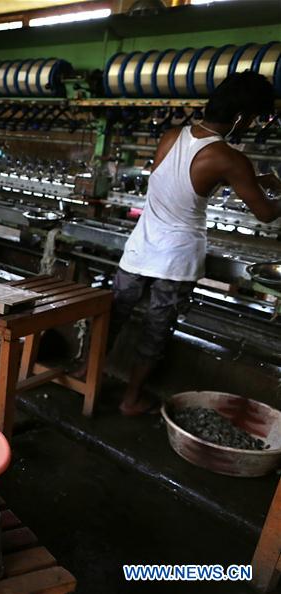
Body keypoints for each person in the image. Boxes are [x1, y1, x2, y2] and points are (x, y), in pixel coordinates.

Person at [111, 71, 281, 416]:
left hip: (139, 251)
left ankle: (86, 371)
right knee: (155, 332)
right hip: (175, 261)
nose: (251, 126)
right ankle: (131, 399)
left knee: (112, 316)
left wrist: (253, 178)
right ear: (239, 118)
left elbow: (186, 183)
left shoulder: (172, 136)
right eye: (252, 119)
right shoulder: (230, 158)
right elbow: (265, 213)